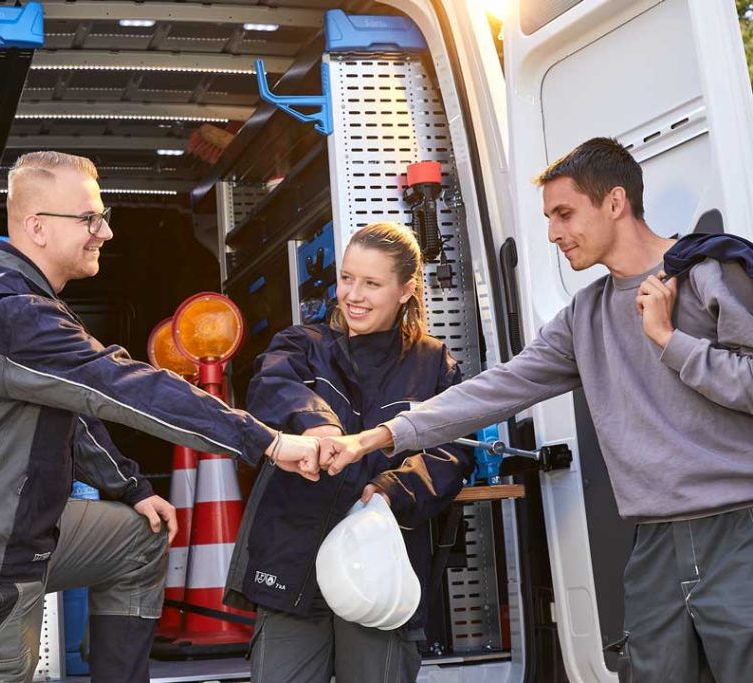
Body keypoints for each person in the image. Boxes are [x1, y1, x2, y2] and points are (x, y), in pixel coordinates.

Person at [318, 138, 753, 682]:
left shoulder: (711, 271)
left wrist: (669, 339)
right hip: (655, 543)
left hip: (739, 530)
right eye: (549, 217)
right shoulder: (584, 316)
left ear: (615, 202)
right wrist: (379, 437)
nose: (552, 233)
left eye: (564, 214)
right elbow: (495, 390)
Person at [0, 151, 320, 683]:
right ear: (37, 227)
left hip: (19, 533)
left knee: (139, 538)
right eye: (89, 219)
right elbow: (124, 387)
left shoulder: (21, 301)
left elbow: (73, 406)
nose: (106, 232)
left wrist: (132, 489)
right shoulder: (9, 312)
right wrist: (267, 442)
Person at [224, 222, 474, 682]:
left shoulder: (434, 364)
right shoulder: (302, 344)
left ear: (405, 290)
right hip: (292, 557)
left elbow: (453, 451)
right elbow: (270, 386)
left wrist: (390, 490)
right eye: (347, 278)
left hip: (380, 565)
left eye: (372, 283)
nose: (353, 295)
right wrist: (319, 427)